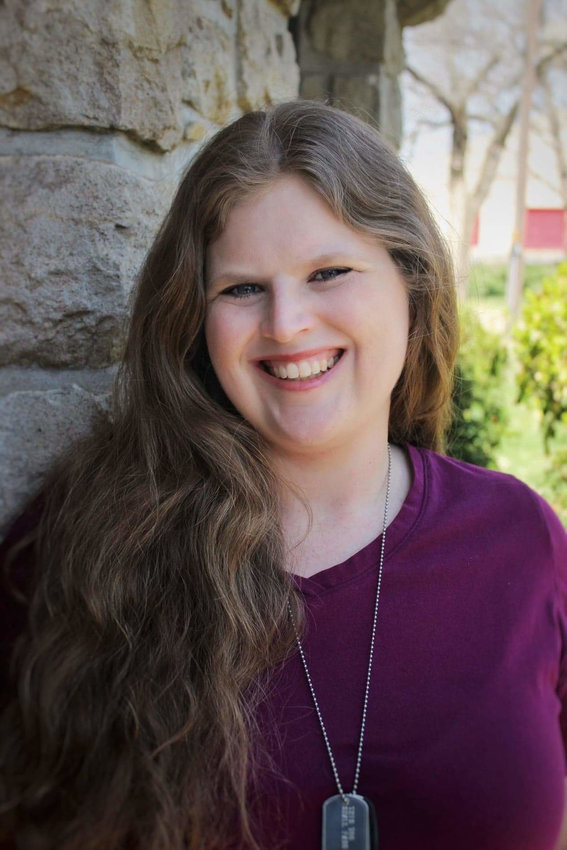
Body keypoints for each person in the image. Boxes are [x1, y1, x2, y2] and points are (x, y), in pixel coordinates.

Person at [1, 99, 566, 850]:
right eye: (241, 288)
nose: (286, 323)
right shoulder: (86, 544)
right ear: (193, 321)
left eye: (328, 271)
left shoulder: (519, 542)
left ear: (412, 286)